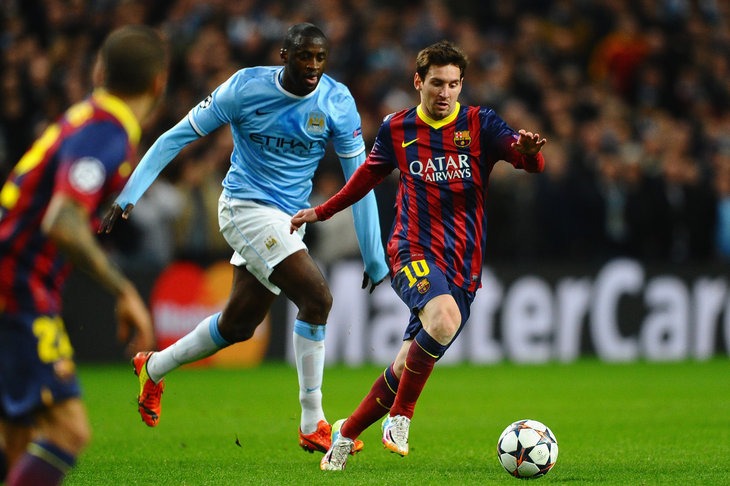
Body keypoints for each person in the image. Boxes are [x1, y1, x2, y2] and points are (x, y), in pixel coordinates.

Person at [98, 23, 388, 454]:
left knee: (237, 326)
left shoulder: (336, 101)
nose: (312, 66)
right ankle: (314, 421)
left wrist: (374, 253)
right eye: (304, 56)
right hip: (244, 207)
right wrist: (129, 193)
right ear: (284, 55)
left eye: (319, 58)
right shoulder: (244, 88)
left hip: (290, 221)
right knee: (318, 297)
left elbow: (359, 179)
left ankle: (153, 367)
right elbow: (177, 136)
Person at [290, 40, 547, 471]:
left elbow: (526, 163)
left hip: (464, 265)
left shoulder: (480, 123)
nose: (445, 92)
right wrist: (321, 210)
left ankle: (345, 434)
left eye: (453, 84)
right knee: (443, 319)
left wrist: (529, 152)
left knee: (407, 361)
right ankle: (401, 419)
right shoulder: (397, 129)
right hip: (412, 249)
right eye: (436, 83)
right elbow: (365, 179)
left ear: (462, 85)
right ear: (418, 82)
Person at [0, 25, 165, 485]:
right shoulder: (106, 134)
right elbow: (63, 219)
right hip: (16, 283)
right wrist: (124, 290)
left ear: (99, 71)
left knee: (15, 434)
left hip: (13, 272)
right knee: (69, 431)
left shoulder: (84, 118)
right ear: (158, 84)